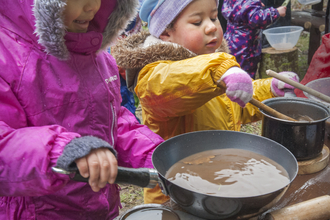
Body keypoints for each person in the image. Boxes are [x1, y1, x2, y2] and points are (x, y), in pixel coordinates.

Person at [112, 0, 299, 204]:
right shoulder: (154, 75)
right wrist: (219, 69)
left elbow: (237, 104)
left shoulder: (213, 66)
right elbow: (177, 82)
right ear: (165, 33)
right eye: (197, 22)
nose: (211, 27)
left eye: (213, 17)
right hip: (176, 195)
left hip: (217, 182)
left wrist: (270, 89)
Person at [0, 0, 164, 219]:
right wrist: (64, 151)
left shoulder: (95, 52)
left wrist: (153, 154)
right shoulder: (7, 56)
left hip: (100, 207)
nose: (93, 7)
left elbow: (112, 120)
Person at [222, 0, 287, 78]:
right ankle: (246, 87)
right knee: (246, 73)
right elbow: (257, 19)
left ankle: (233, 85)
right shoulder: (249, 2)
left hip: (232, 41)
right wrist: (276, 12)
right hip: (245, 46)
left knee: (233, 69)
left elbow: (242, 10)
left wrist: (255, 4)